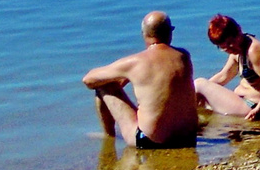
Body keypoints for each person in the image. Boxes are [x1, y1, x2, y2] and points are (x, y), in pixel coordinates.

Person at [83, 11, 198, 149]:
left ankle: (109, 137)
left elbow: (88, 79)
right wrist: (126, 76)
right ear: (170, 32)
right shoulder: (184, 56)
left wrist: (120, 77)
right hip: (188, 139)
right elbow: (160, 75)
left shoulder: (135, 62)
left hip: (150, 141)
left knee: (103, 86)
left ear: (145, 34)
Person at [195, 15, 260, 120]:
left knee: (199, 83)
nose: (230, 49)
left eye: (231, 43)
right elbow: (224, 76)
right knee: (199, 95)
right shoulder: (238, 50)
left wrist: (258, 110)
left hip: (252, 106)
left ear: (239, 30)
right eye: (224, 48)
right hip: (241, 103)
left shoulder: (255, 50)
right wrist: (195, 92)